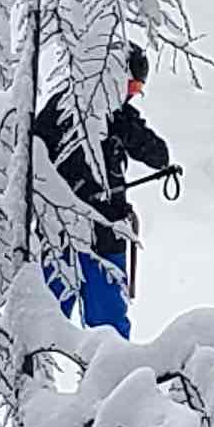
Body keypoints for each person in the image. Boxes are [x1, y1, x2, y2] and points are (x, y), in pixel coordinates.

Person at [30, 42, 177, 336]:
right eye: (130, 86)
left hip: (107, 234)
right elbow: (30, 158)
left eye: (136, 90)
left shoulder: (122, 118)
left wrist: (125, 128)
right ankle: (31, 381)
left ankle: (112, 381)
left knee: (109, 329)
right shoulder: (61, 109)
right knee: (41, 324)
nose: (130, 96)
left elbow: (159, 156)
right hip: (61, 233)